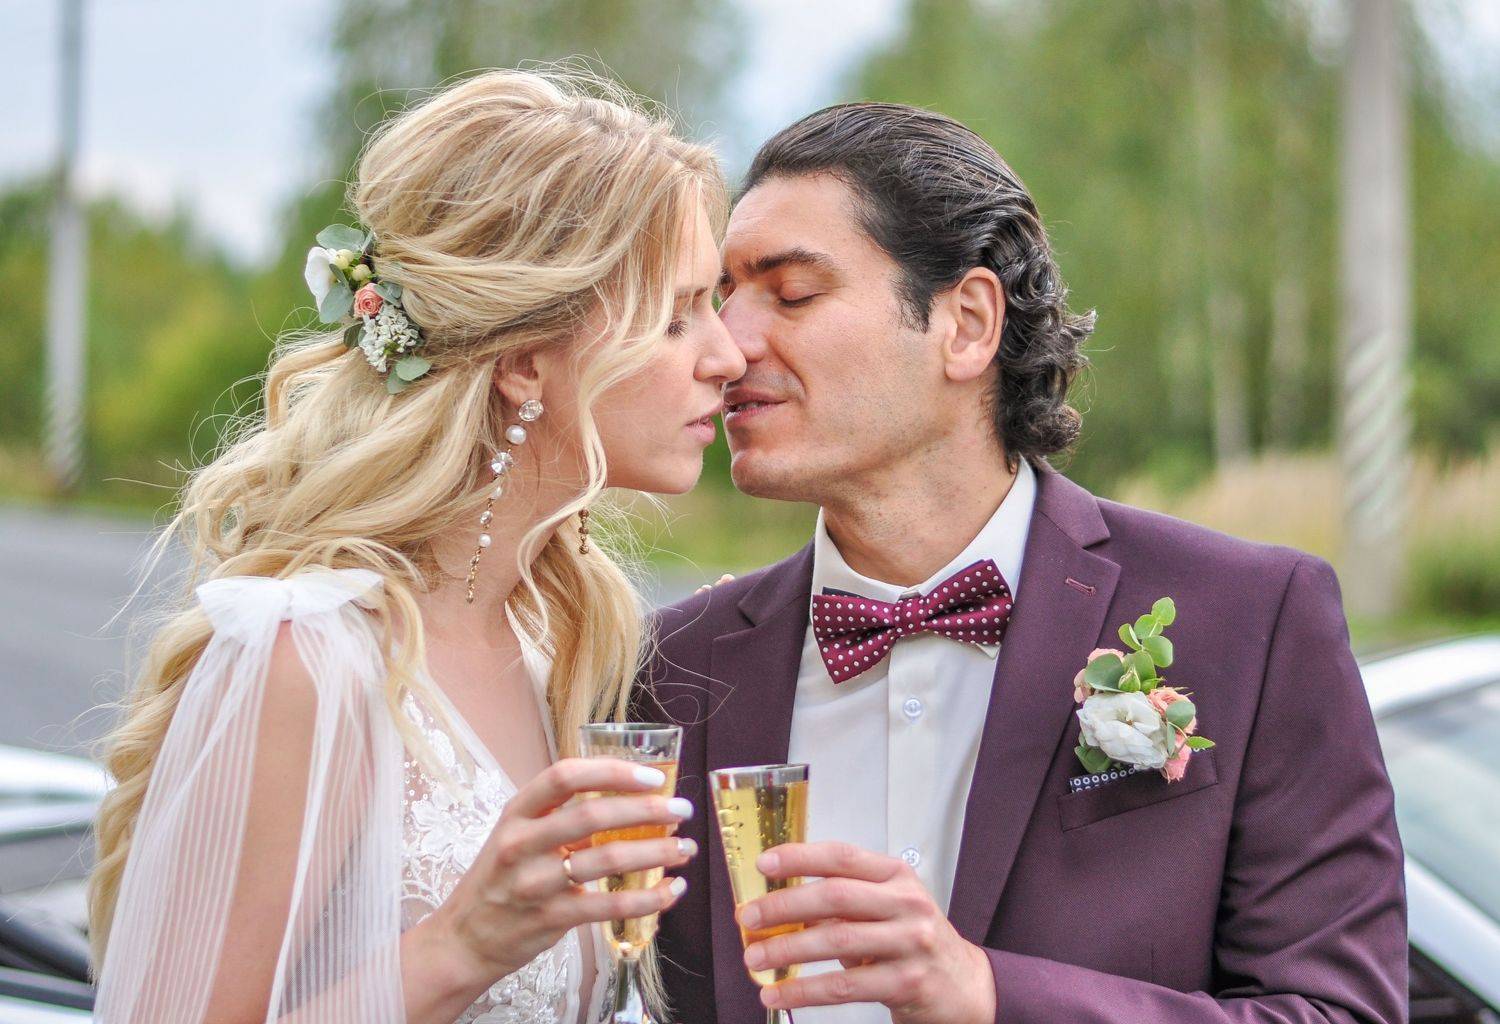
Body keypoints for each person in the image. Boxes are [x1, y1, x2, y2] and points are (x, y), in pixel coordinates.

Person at [642, 103, 1406, 1024]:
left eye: (792, 292)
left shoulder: (1252, 620)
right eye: (720, 297)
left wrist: (990, 996)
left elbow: (1340, 1011)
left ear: (967, 323)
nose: (726, 347)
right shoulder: (667, 670)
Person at [88, 68, 744, 1024]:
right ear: (526, 362)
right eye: (677, 317)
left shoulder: (563, 651)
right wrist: (459, 948)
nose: (727, 357)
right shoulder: (304, 660)